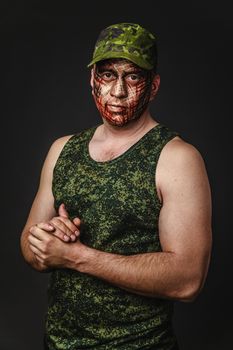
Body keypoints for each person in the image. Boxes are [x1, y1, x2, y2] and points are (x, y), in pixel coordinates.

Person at [20, 23, 212, 350]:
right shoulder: (62, 150)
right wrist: (47, 239)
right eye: (108, 75)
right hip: (57, 343)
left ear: (153, 86)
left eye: (133, 77)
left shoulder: (177, 158)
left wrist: (75, 256)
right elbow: (29, 246)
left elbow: (188, 279)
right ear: (93, 80)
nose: (119, 91)